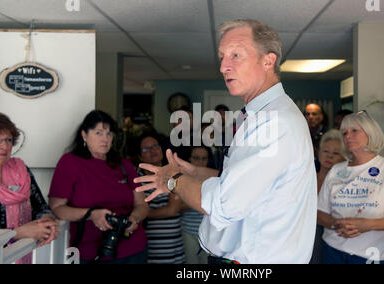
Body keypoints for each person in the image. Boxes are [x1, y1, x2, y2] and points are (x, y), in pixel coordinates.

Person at [135, 19, 316, 264]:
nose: (223, 67)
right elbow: (250, 184)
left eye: (236, 55)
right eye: (222, 57)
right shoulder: (256, 116)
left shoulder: (275, 123)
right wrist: (196, 172)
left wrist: (173, 180)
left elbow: (223, 206)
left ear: (268, 61)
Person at [317, 111, 384, 264]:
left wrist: (368, 225)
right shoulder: (336, 170)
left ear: (370, 132)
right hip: (333, 251)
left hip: (372, 254)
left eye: (354, 130)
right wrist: (335, 223)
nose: (348, 136)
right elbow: (320, 214)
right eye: (344, 132)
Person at [49, 110, 149, 264]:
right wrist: (91, 214)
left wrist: (134, 219)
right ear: (84, 135)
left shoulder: (124, 165)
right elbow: (57, 208)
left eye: (109, 134)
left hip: (133, 249)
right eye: (98, 133)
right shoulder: (69, 163)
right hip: (89, 252)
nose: (105, 139)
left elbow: (142, 204)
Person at [0, 113, 59, 264]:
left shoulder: (20, 170)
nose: (5, 146)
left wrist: (45, 222)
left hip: (21, 255)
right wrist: (17, 233)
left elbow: (41, 207)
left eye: (8, 140)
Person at [137, 131, 185, 264]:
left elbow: (172, 210)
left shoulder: (173, 173)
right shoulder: (136, 179)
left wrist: (142, 214)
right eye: (146, 149)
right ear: (140, 156)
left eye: (156, 146)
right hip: (149, 250)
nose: (153, 151)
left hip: (174, 248)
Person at [309, 129, 345, 264]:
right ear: (318, 152)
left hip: (331, 238)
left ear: (344, 157)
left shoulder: (344, 185)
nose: (329, 156)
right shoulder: (307, 179)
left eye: (335, 153)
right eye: (326, 151)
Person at [181, 146, 212, 264]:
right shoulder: (183, 178)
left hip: (209, 232)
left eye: (204, 158)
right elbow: (178, 208)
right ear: (189, 159)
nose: (200, 162)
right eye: (196, 158)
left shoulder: (213, 177)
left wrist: (192, 199)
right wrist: (202, 199)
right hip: (188, 230)